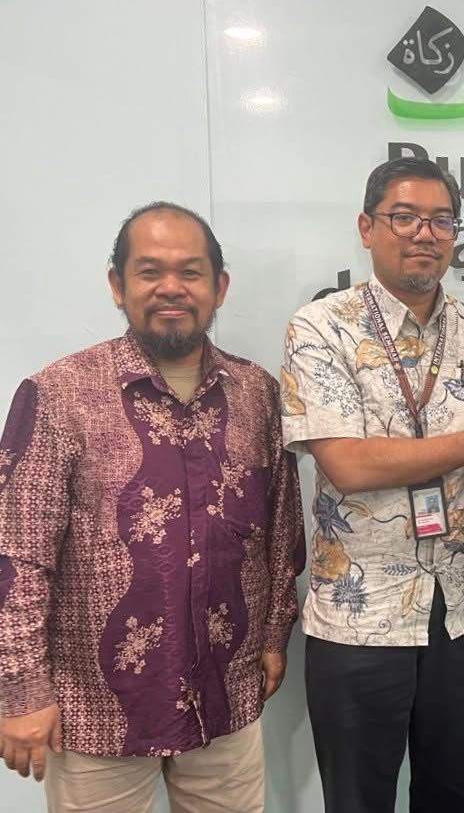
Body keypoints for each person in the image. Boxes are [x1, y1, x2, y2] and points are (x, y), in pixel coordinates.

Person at [0, 202, 305, 812]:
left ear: (219, 287)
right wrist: (21, 688)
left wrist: (275, 634)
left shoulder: (257, 393)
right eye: (150, 271)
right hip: (97, 711)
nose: (171, 287)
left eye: (190, 272)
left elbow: (281, 529)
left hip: (226, 693)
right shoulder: (60, 393)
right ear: (118, 285)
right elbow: (17, 553)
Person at [280, 156, 464, 813]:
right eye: (404, 217)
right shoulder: (321, 327)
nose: (424, 233)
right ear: (367, 228)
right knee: (358, 800)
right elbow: (347, 464)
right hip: (360, 618)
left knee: (463, 798)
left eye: (440, 220)